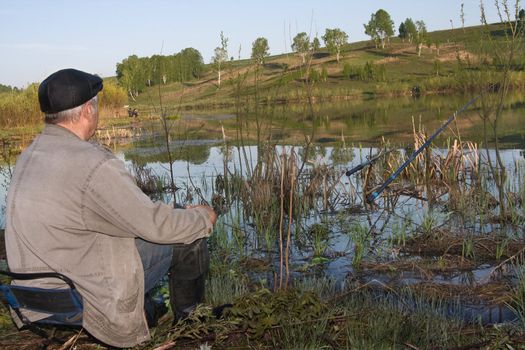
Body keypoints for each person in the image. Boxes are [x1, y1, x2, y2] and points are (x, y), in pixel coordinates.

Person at [4, 68, 217, 348]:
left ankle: (150, 308)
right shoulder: (93, 163)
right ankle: (191, 326)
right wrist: (201, 217)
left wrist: (176, 212)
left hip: (32, 294)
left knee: (169, 219)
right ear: (87, 112)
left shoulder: (30, 155)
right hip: (77, 293)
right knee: (188, 238)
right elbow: (155, 225)